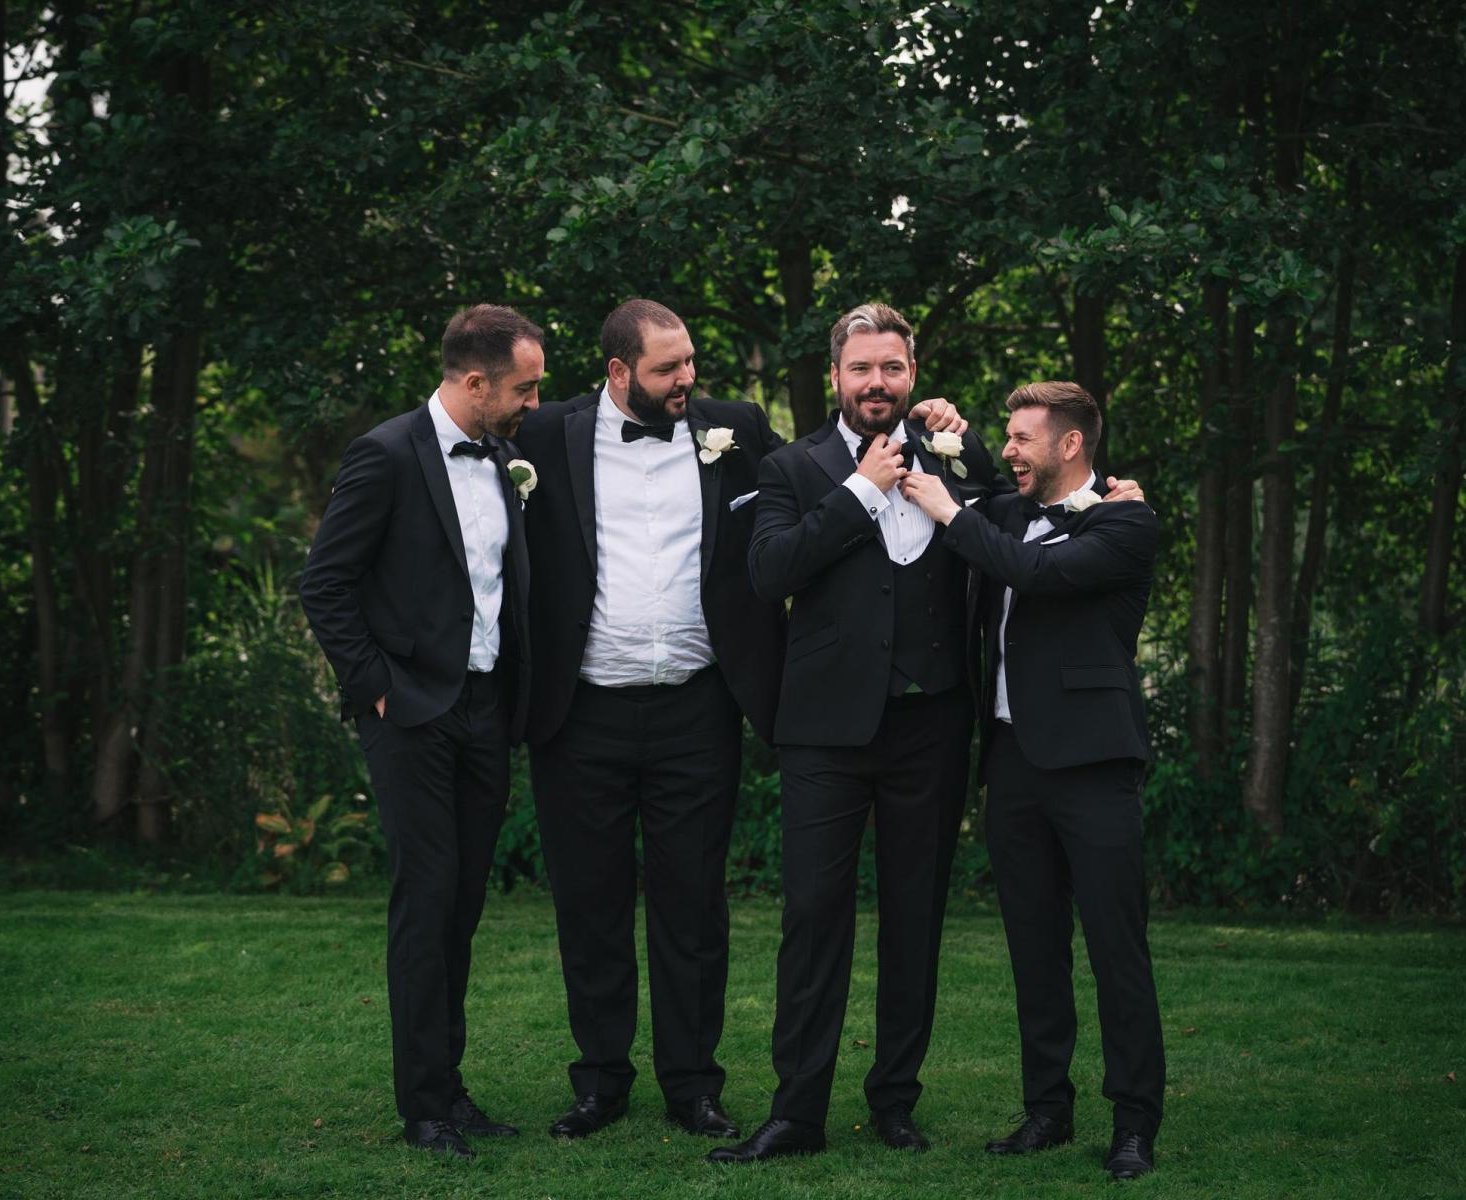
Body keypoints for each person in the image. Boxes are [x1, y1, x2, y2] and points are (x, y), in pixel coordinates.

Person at [513, 299, 970, 1142]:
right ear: (618, 371)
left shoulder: (737, 430)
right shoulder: (545, 437)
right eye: (667, 368)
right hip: (580, 709)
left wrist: (934, 417)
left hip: (700, 704)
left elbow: (807, 491)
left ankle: (694, 1086)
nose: (686, 378)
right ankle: (599, 1083)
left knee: (694, 909)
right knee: (589, 905)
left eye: (690, 361)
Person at [900, 381, 1165, 1181]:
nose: (1009, 449)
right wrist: (933, 421)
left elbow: (1035, 573)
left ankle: (1134, 1122)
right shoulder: (1011, 512)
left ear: (1071, 444)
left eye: (1022, 438)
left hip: (1094, 763)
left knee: (1117, 950)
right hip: (1013, 762)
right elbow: (972, 485)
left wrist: (951, 515)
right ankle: (1047, 1108)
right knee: (1034, 949)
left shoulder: (1126, 521)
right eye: (1007, 436)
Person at [298, 304, 544, 1160]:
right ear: (475, 383)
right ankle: (424, 1108)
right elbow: (325, 583)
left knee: (463, 906)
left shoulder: (506, 456)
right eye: (525, 388)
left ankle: (451, 1088)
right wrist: (377, 690)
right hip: (410, 715)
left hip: (485, 711)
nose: (535, 402)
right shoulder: (386, 454)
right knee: (426, 902)